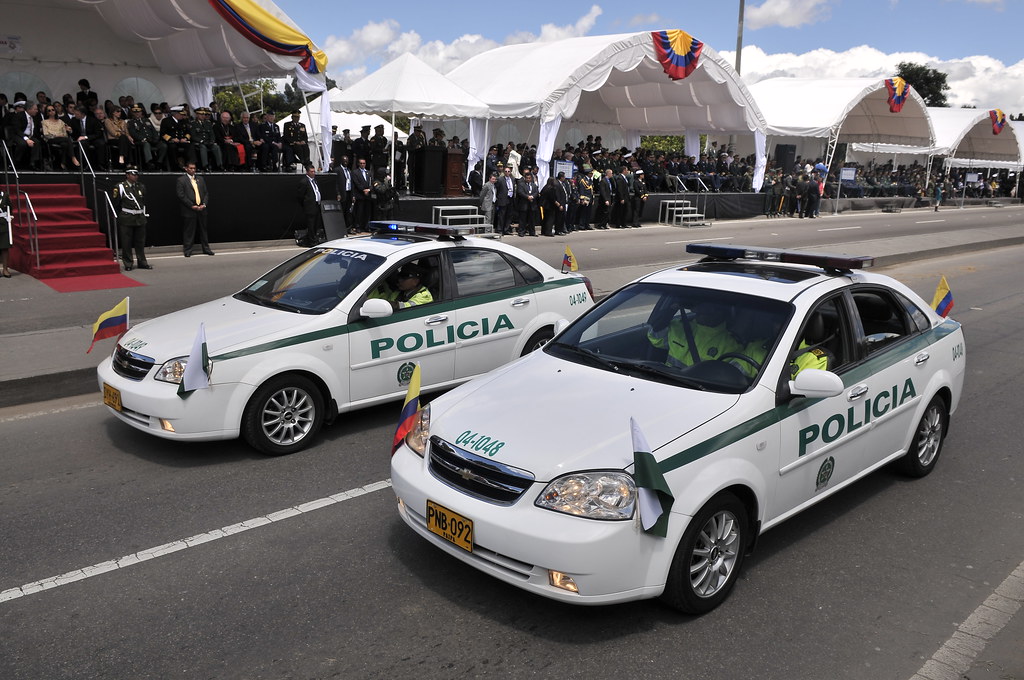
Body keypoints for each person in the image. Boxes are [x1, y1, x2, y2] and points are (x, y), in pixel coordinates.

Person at [646, 301, 739, 369]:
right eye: (700, 309)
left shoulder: (732, 344)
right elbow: (654, 338)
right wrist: (672, 309)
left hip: (699, 391)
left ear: (723, 313)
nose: (702, 313)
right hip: (665, 381)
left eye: (709, 310)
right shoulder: (679, 327)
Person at [112, 168, 151, 270]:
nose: (135, 176)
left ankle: (142, 262)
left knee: (140, 242)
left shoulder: (141, 186)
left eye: (136, 174)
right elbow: (116, 203)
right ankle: (128, 263)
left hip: (139, 217)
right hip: (127, 217)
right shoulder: (120, 187)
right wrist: (121, 215)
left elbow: (143, 201)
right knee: (126, 242)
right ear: (127, 175)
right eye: (133, 174)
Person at [176, 161, 214, 257]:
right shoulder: (181, 180)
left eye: (194, 168)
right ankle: (188, 250)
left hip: (202, 209)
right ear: (186, 168)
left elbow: (206, 193)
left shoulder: (200, 179)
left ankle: (206, 248)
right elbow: (181, 195)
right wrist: (191, 205)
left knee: (203, 230)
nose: (193, 170)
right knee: (189, 230)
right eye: (191, 168)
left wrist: (204, 204)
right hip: (189, 210)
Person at [368, 263, 433, 310]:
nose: (399, 280)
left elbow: (405, 308)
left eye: (404, 277)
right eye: (399, 276)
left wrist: (390, 304)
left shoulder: (425, 296)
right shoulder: (399, 292)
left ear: (416, 281)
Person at [127, 104, 166, 171]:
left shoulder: (146, 120)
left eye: (138, 112)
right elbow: (133, 133)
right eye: (135, 112)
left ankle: (159, 162)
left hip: (152, 140)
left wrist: (156, 138)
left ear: (141, 112)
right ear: (132, 113)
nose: (137, 113)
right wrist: (143, 139)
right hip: (141, 141)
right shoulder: (131, 122)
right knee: (146, 144)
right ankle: (149, 162)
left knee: (163, 145)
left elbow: (153, 130)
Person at [296, 163, 325, 247]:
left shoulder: (315, 181)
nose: (313, 173)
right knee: (311, 225)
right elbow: (300, 196)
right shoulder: (304, 182)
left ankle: (315, 238)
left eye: (314, 171)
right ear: (307, 172)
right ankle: (311, 241)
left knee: (316, 224)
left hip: (317, 205)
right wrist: (305, 204)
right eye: (311, 172)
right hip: (309, 207)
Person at [41, 103, 76, 170]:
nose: (51, 111)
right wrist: (56, 135)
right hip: (51, 139)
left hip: (62, 139)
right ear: (47, 113)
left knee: (65, 144)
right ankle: (73, 157)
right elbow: (46, 134)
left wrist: (69, 130)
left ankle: (62, 163)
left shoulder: (60, 121)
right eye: (49, 110)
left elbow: (65, 134)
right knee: (68, 140)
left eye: (53, 110)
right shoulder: (44, 122)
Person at [515, 170, 539, 237]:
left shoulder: (534, 185)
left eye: (529, 178)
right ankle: (521, 232)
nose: (528, 179)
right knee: (522, 219)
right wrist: (527, 197)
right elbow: (520, 192)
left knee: (532, 219)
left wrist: (532, 197)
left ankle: (532, 232)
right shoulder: (521, 185)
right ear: (525, 178)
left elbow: (536, 192)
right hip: (524, 204)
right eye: (527, 178)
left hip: (532, 205)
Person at [351, 157, 373, 232]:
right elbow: (357, 183)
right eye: (361, 163)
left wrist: (369, 189)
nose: (362, 165)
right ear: (358, 164)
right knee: (359, 212)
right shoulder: (355, 172)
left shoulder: (369, 172)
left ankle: (366, 226)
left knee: (367, 212)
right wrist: (363, 190)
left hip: (367, 195)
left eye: (364, 163)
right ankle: (358, 227)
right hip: (360, 195)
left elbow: (371, 182)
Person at [334, 155, 354, 234]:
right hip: (342, 193)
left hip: (348, 192)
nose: (346, 163)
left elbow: (351, 183)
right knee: (341, 211)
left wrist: (353, 195)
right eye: (344, 161)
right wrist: (338, 193)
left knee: (348, 212)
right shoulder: (337, 170)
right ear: (341, 161)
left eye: (347, 161)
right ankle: (340, 228)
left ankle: (348, 228)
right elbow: (335, 183)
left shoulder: (349, 170)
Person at [495, 166, 516, 235]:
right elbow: (497, 189)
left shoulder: (512, 179)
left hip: (510, 199)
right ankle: (499, 229)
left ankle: (506, 229)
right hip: (503, 199)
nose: (507, 172)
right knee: (502, 215)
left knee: (509, 215)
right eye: (506, 171)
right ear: (504, 172)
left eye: (508, 171)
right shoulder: (500, 179)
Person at [0, 187, 11, 278]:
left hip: (3, 223)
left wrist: (9, 218)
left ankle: (5, 269)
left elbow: (10, 208)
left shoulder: (5, 195)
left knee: (5, 247)